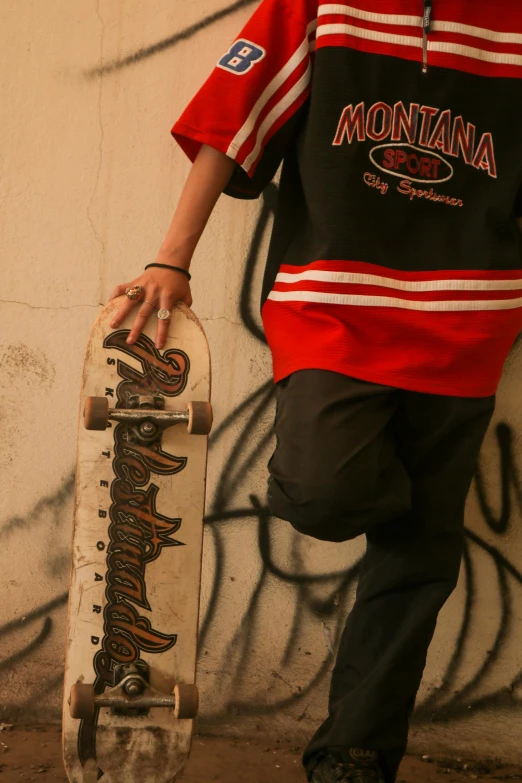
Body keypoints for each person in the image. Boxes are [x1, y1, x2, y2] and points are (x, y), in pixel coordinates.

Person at [109, 1, 522, 781]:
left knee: (420, 556)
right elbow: (231, 121)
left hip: (469, 317)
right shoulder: (319, 5)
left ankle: (354, 753)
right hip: (334, 310)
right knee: (324, 491)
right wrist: (172, 258)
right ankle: (399, 524)